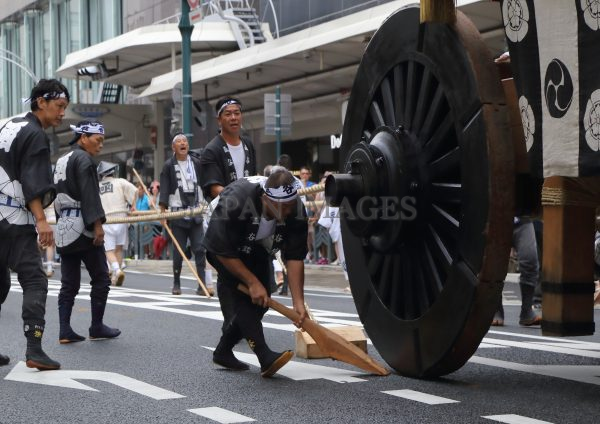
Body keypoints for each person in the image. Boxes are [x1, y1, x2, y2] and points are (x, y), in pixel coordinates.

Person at [203, 169, 308, 377]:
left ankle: (223, 351)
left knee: (262, 297)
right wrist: (250, 281)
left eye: (290, 206)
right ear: (266, 198)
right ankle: (264, 356)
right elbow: (220, 248)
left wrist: (298, 302)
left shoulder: (294, 207)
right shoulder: (237, 201)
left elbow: (295, 257)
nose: (288, 212)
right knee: (244, 293)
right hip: (223, 239)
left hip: (258, 241)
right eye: (283, 208)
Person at [0, 78, 69, 369]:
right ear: (41, 102)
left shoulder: (6, 124)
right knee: (34, 280)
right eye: (59, 106)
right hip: (13, 219)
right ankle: (34, 349)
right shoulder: (36, 134)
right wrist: (42, 220)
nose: (62, 113)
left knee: (1, 282)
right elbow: (33, 181)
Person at [53, 121, 121, 344]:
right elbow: (89, 193)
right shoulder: (85, 160)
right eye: (97, 140)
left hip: (64, 225)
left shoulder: (62, 160)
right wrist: (98, 225)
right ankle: (96, 326)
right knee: (101, 277)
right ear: (83, 138)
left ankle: (64, 330)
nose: (100, 145)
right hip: (83, 227)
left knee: (69, 282)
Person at [159, 133, 210, 296]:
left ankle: (202, 284)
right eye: (179, 142)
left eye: (185, 141)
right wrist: (162, 211)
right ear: (173, 147)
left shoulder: (196, 163)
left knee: (200, 249)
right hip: (178, 211)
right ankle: (176, 282)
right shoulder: (168, 165)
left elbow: (204, 183)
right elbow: (165, 188)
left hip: (196, 210)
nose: (183, 144)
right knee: (178, 250)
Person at [199, 96, 257, 201]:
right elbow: (214, 188)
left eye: (237, 113)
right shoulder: (211, 150)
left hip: (249, 209)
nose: (233, 118)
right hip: (224, 210)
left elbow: (253, 177)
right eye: (228, 114)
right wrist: (238, 198)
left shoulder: (248, 144)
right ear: (219, 120)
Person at [492, 216, 542, 327]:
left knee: (530, 260)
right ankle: (496, 309)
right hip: (495, 217)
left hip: (522, 217)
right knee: (493, 265)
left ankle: (527, 310)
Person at [97, 161, 137, 286]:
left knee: (108, 249)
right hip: (121, 217)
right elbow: (135, 191)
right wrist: (133, 206)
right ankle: (115, 276)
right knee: (119, 248)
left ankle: (117, 270)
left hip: (107, 218)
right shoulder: (120, 182)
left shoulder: (96, 186)